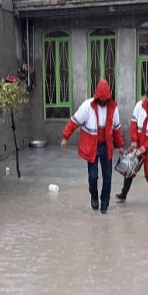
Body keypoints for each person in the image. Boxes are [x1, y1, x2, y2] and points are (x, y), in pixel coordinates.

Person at [61, 79, 125, 214]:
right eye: (100, 99)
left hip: (106, 146)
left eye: (105, 99)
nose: (102, 101)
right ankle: (94, 196)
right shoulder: (87, 106)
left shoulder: (114, 108)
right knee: (93, 176)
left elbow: (117, 129)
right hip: (92, 147)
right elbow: (74, 121)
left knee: (107, 177)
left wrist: (120, 145)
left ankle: (105, 203)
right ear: (97, 97)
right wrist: (65, 137)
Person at [116, 83, 148, 206]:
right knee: (129, 168)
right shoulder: (139, 106)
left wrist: (145, 147)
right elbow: (133, 124)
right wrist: (134, 141)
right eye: (147, 97)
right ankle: (124, 194)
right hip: (137, 144)